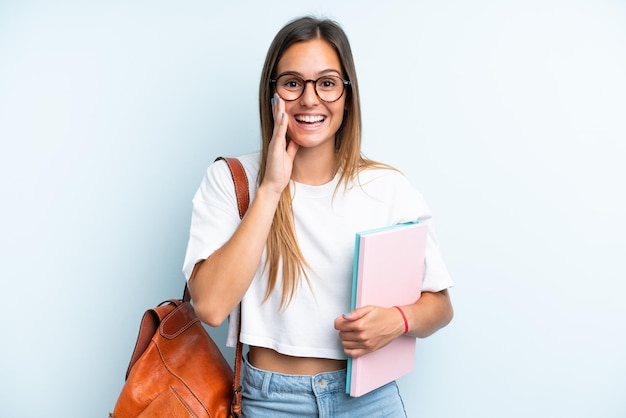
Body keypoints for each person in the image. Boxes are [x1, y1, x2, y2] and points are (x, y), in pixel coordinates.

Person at [182, 15, 453, 417]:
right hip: (269, 402)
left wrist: (399, 320)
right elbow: (211, 307)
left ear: (346, 95)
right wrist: (272, 188)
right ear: (272, 94)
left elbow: (441, 305)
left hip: (370, 400)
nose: (310, 100)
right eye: (292, 83)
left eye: (326, 83)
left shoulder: (387, 187)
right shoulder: (231, 180)